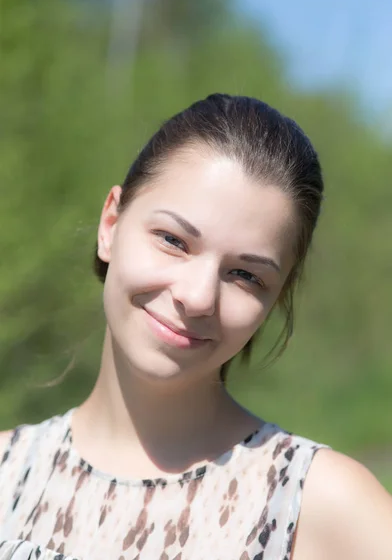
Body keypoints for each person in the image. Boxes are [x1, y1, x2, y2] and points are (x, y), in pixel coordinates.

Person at [0, 94, 391, 560]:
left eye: (246, 275)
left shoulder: (321, 505)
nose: (198, 296)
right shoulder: (6, 473)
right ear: (111, 224)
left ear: (275, 299)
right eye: (173, 240)